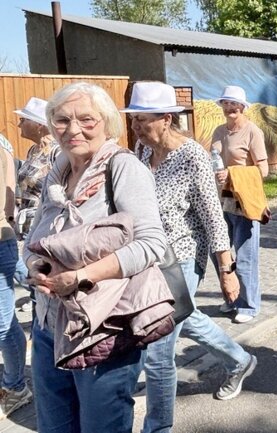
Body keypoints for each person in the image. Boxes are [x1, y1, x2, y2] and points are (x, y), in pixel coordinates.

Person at [24, 82, 168, 432]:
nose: (73, 129)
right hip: (47, 325)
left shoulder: (122, 167)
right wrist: (35, 266)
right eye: (62, 120)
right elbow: (33, 239)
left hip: (102, 326)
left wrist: (80, 277)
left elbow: (151, 244)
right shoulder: (57, 174)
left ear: (107, 122)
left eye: (86, 119)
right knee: (54, 427)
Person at [124, 82, 258, 432]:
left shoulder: (192, 156)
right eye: (133, 119)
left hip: (183, 256)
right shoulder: (141, 150)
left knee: (158, 352)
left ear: (166, 119)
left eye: (142, 120)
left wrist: (227, 270)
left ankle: (157, 427)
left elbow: (213, 217)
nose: (135, 127)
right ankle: (240, 361)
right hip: (150, 257)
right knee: (188, 315)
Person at [211, 85, 268, 324]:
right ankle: (232, 297)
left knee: (245, 257)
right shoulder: (218, 131)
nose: (230, 108)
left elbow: (263, 170)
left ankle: (249, 305)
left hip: (244, 203)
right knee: (220, 254)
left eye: (234, 104)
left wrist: (232, 174)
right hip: (220, 201)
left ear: (243, 107)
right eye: (226, 103)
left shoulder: (253, 131)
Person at [0, 133, 30, 421]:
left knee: (3, 323)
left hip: (1, 239)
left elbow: (7, 196)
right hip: (6, 236)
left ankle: (16, 387)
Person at [13, 97, 61, 237]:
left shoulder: (57, 151)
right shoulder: (33, 150)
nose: (19, 125)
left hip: (46, 225)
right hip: (27, 224)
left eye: (23, 120)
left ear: (39, 125)